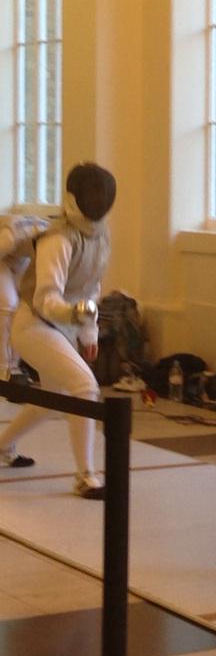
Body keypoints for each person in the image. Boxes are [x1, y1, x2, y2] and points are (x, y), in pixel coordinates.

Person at [0, 163, 116, 499]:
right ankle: (86, 476)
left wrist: (88, 330)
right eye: (92, 193)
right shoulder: (57, 238)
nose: (98, 199)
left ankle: (3, 447)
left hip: (62, 327)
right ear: (73, 197)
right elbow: (45, 297)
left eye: (102, 193)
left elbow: (92, 288)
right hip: (34, 324)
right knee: (84, 385)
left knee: (51, 400)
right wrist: (75, 315)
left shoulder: (101, 236)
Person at [0, 214, 50, 381]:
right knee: (9, 305)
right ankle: (4, 371)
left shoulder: (55, 240)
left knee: (25, 310)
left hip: (20, 258)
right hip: (4, 256)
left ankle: (18, 366)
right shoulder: (10, 236)